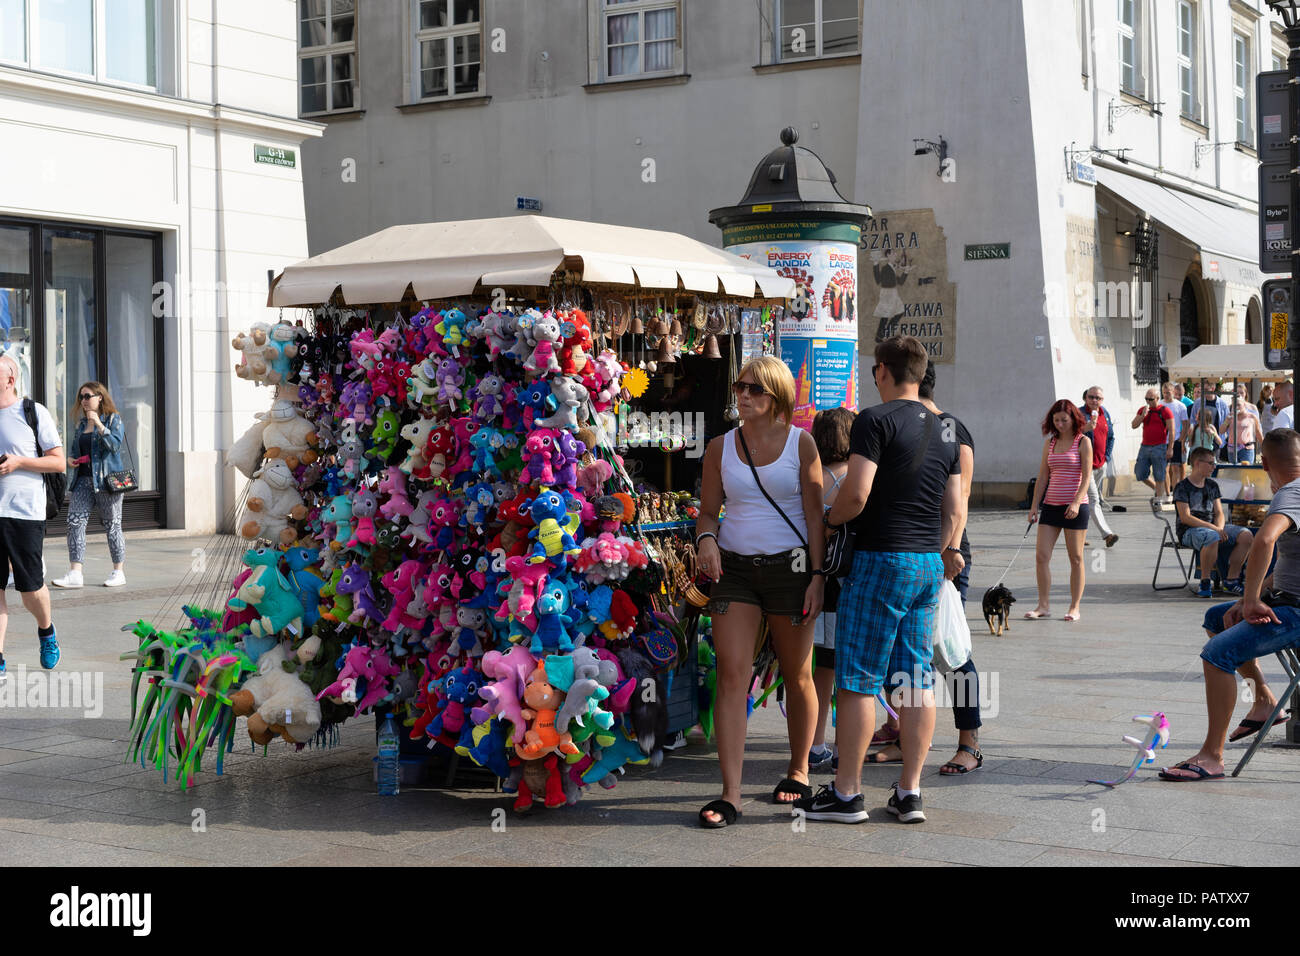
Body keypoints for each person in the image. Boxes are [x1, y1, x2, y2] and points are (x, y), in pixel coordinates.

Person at [795, 335, 963, 825]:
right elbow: (954, 508)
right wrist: (939, 549)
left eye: (874, 371)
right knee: (915, 679)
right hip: (927, 563)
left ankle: (847, 793)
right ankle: (909, 792)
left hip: (879, 560)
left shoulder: (875, 419)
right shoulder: (947, 429)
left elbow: (857, 494)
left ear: (884, 372)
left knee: (857, 680)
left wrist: (826, 521)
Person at [694, 355, 825, 828]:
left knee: (798, 674)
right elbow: (708, 511)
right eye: (739, 387)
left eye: (754, 389)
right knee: (732, 674)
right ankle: (730, 793)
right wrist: (706, 538)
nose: (743, 395)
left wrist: (817, 575)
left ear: (777, 398)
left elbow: (815, 517)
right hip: (735, 571)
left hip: (791, 569)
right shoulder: (719, 447)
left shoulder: (801, 444)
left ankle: (800, 768)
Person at [1159, 428, 1300, 781]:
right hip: (1287, 599)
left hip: (1296, 612)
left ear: (1264, 463)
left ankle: (1211, 757)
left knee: (1217, 654)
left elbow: (1265, 540)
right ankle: (1264, 700)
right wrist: (1254, 595)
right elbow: (1289, 562)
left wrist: (1252, 600)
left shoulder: (1290, 494)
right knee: (1217, 617)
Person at [0, 354, 65, 684]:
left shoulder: (32, 412)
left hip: (24, 512)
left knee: (30, 590)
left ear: (10, 379)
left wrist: (18, 463)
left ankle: (46, 629)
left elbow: (58, 462)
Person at [809, 407, 855, 773]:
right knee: (849, 667)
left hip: (812, 578)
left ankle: (815, 742)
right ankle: (845, 746)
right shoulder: (856, 476)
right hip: (849, 579)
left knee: (819, 667)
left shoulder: (808, 476)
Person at [52, 381, 127, 589]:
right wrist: (71, 459)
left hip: (106, 483)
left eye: (87, 396)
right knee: (74, 523)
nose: (83, 401)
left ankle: (118, 571)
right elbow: (77, 451)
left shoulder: (113, 419)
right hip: (83, 481)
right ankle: (76, 573)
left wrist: (100, 426)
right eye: (81, 397)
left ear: (99, 397)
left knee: (113, 526)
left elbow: (114, 446)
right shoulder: (81, 425)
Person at [1026, 399, 1092, 622]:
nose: (1061, 424)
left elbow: (1087, 477)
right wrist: (1035, 505)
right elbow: (1043, 476)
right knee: (1041, 556)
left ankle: (1075, 606)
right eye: (1056, 420)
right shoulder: (1051, 443)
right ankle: (1043, 605)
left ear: (1074, 419)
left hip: (1075, 507)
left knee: (1075, 557)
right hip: (1051, 506)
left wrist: (1075, 502)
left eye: (1064, 419)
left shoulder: (1083, 442)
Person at [1173, 447, 1253, 598]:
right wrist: (1215, 529)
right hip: (1189, 530)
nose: (1214, 467)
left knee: (1246, 535)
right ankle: (1205, 581)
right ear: (1197, 463)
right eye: (1210, 463)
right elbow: (1185, 517)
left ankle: (1231, 580)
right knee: (1211, 536)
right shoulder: (1182, 487)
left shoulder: (1212, 485)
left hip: (1213, 527)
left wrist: (1220, 528)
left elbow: (1219, 512)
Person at [1079, 386, 1118, 547]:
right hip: (1084, 466)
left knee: (1084, 501)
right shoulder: (1079, 414)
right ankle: (1107, 534)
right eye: (1091, 397)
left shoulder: (1105, 413)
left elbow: (1111, 437)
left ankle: (1078, 535)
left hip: (1100, 465)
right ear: (1085, 398)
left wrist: (1106, 457)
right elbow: (1069, 433)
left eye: (1098, 398)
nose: (1095, 400)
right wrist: (1085, 428)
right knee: (1094, 499)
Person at [1131, 388, 1175, 503]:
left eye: (1151, 399)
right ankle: (1156, 489)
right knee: (1140, 473)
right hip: (1145, 446)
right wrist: (1142, 416)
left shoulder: (1165, 411)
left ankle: (1159, 500)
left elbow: (1172, 430)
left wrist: (1170, 448)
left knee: (1159, 475)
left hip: (1159, 447)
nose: (1148, 401)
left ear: (1157, 399)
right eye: (1146, 399)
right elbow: (1133, 425)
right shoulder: (1143, 410)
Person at [1162, 382, 1189, 487]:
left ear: (1173, 392)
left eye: (1168, 393)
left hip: (1176, 440)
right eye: (1164, 393)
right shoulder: (1160, 404)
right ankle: (1168, 493)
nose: (1166, 395)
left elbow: (1185, 424)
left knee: (1176, 468)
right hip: (1163, 442)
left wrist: (1182, 440)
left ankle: (1176, 493)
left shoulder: (1181, 406)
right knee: (1164, 470)